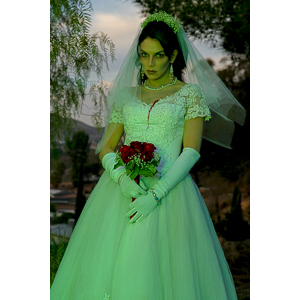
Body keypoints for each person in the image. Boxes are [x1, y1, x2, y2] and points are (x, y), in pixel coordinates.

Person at [50, 12, 246, 300]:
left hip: (171, 194)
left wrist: (155, 195)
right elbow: (105, 146)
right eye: (144, 55)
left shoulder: (189, 94)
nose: (150, 63)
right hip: (119, 193)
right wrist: (121, 179)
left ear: (173, 55)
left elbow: (191, 151)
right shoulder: (126, 95)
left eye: (158, 55)